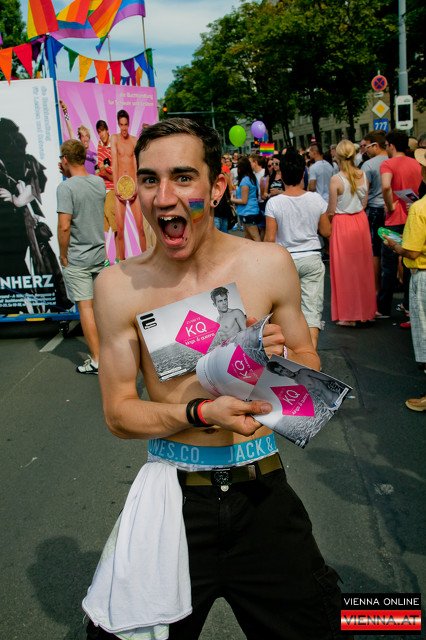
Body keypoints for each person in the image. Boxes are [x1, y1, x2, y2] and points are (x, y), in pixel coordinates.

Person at [84, 118, 348, 640]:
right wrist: (200, 411)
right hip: (173, 502)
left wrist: (273, 364)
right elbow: (118, 413)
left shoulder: (268, 264)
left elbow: (307, 360)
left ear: (217, 186)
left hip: (262, 493)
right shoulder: (118, 286)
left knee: (329, 628)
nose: (164, 197)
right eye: (150, 179)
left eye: (183, 177)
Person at [264, 150, 331, 349]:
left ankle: (291, 355)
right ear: (303, 174)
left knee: (286, 312)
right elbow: (326, 231)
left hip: (285, 261)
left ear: (282, 175)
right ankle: (311, 355)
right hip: (311, 258)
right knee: (311, 312)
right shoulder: (316, 199)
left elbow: (270, 239)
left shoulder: (274, 203)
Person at [57, 139, 106, 374]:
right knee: (100, 309)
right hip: (99, 254)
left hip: (78, 257)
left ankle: (96, 360)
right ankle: (109, 355)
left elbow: (64, 226)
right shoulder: (98, 182)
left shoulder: (66, 188)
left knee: (85, 308)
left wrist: (63, 255)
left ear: (65, 159)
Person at [385, 147, 426, 403]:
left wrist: (394, 245)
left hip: (423, 273)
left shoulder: (420, 209)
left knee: (425, 333)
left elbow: (411, 250)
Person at [327, 139, 377, 326]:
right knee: (362, 268)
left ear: (338, 156)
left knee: (344, 269)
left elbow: (331, 210)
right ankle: (365, 311)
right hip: (360, 221)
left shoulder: (336, 179)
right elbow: (364, 203)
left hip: (342, 223)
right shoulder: (363, 174)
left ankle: (349, 315)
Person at [378, 129, 422, 318]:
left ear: (391, 145)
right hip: (413, 216)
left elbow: (386, 186)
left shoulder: (387, 164)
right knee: (410, 263)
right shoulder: (416, 163)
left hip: (394, 219)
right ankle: (408, 305)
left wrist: (390, 206)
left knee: (388, 265)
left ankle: (383, 307)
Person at [111, 109, 147, 259]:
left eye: (126, 124)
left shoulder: (134, 141)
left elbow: (137, 164)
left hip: (133, 187)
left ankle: (146, 258)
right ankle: (122, 262)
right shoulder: (114, 139)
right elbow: (114, 163)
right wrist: (116, 186)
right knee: (119, 229)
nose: (124, 128)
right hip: (120, 187)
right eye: (121, 124)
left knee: (140, 228)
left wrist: (137, 186)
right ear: (118, 124)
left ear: (129, 124)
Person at [362, 130, 388, 296]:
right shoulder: (392, 160)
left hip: (374, 209)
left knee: (375, 251)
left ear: (376, 145)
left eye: (367, 146)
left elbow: (364, 191)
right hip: (392, 209)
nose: (365, 150)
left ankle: (376, 288)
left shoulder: (369, 165)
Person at [95, 120, 118, 263]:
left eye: (103, 131)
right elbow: (100, 169)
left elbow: (115, 173)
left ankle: (119, 256)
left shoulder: (113, 145)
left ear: (107, 130)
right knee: (102, 225)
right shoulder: (99, 146)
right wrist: (102, 171)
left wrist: (104, 171)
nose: (101, 134)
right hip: (102, 188)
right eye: (99, 132)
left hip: (112, 188)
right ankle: (106, 258)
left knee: (112, 218)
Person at [59, 100, 97, 175]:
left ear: (89, 138)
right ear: (80, 138)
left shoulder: (94, 155)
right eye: (82, 136)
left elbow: (98, 171)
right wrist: (65, 112)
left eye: (86, 136)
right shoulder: (77, 153)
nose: (85, 138)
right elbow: (70, 130)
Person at [230, 155, 261, 241]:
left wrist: (232, 199)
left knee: (255, 237)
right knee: (248, 237)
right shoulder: (251, 177)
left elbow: (244, 200)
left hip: (248, 212)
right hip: (250, 210)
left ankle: (261, 250)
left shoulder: (245, 180)